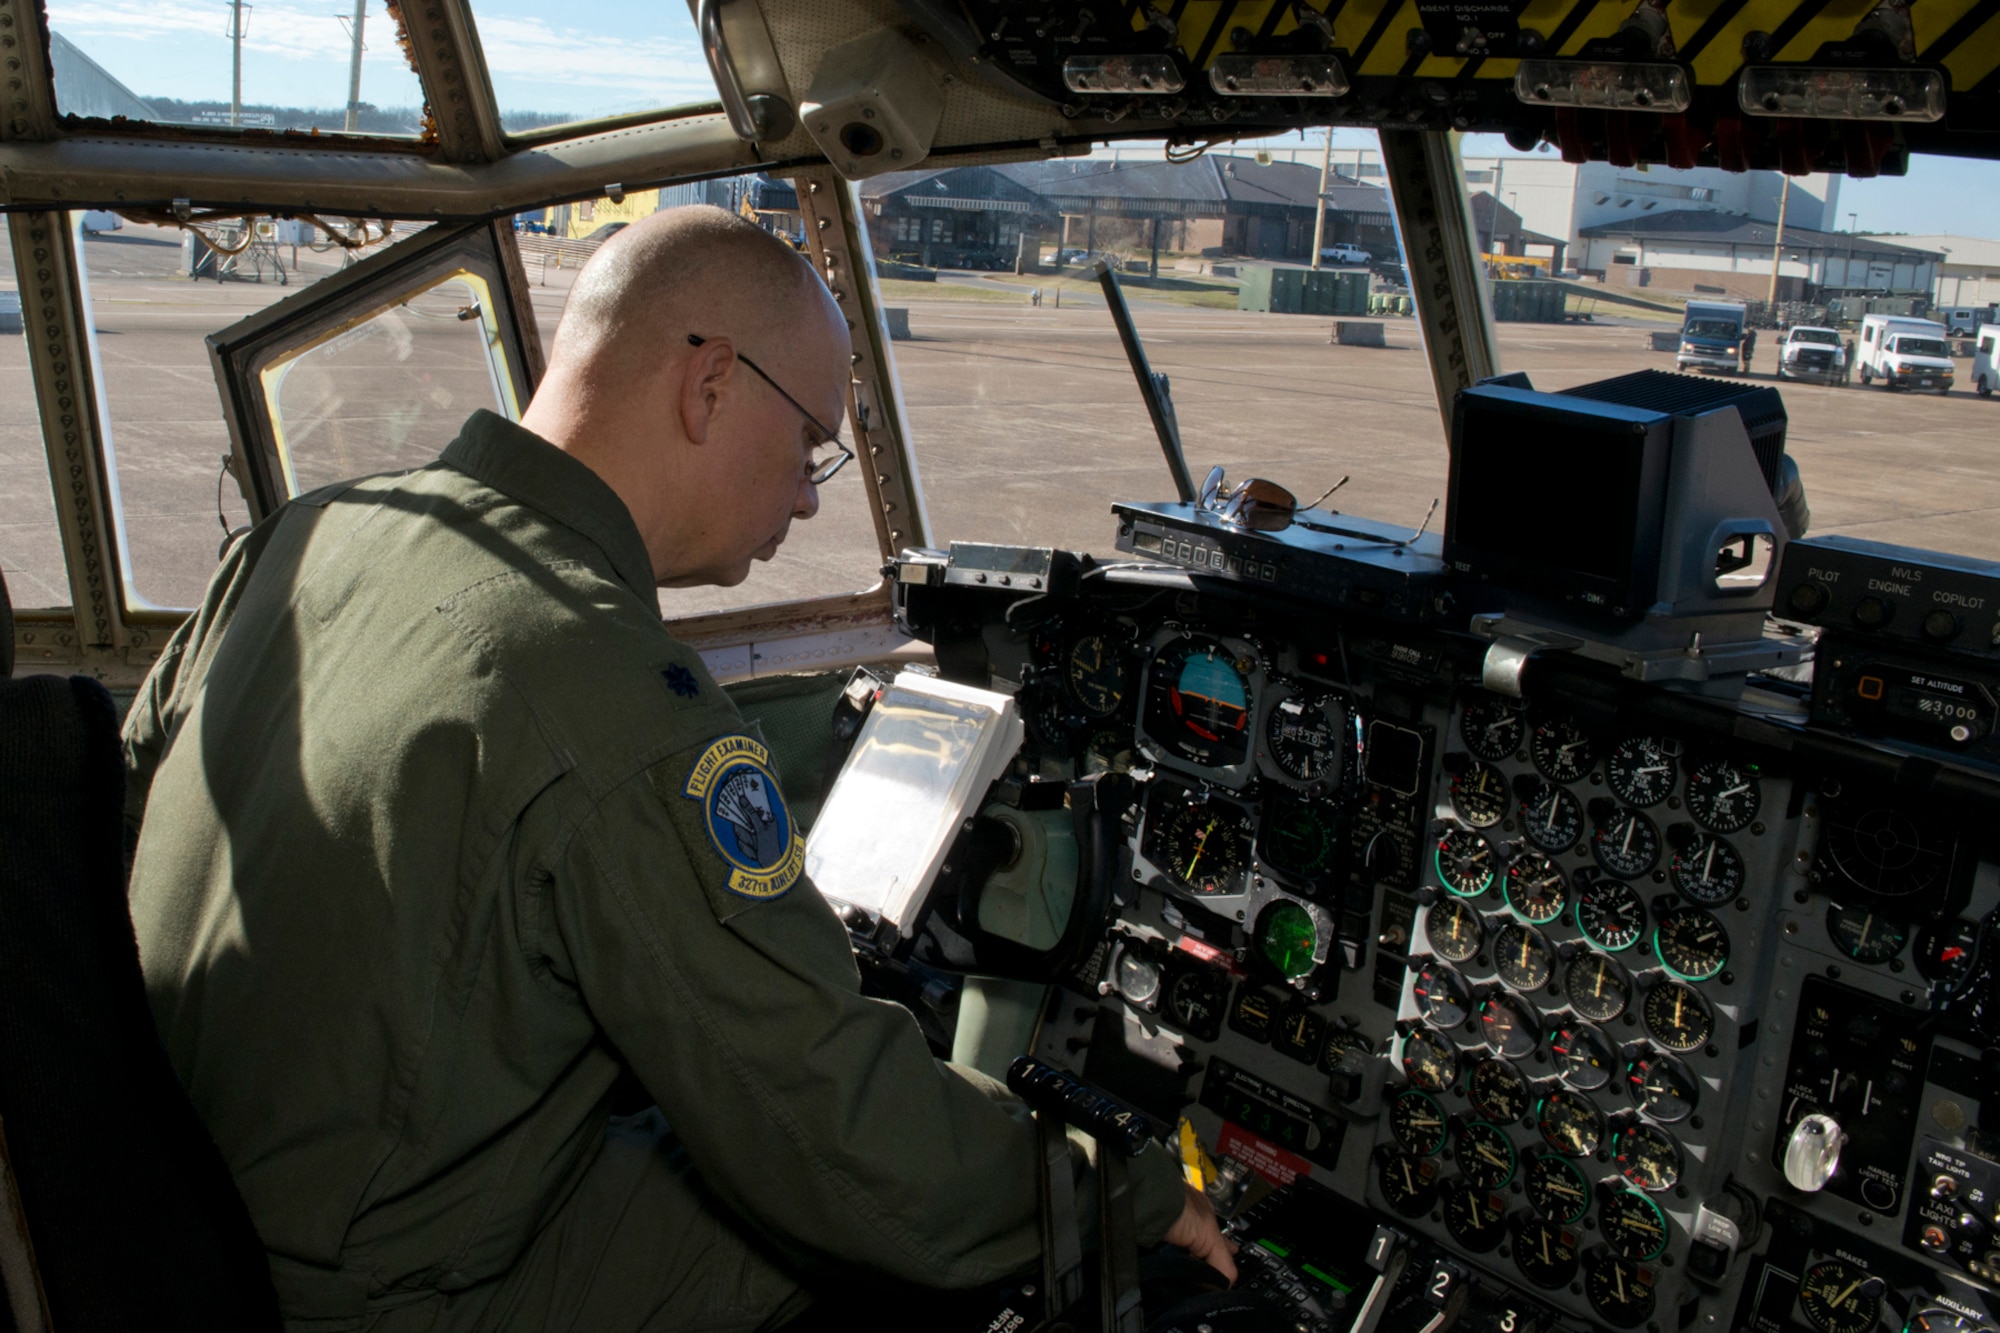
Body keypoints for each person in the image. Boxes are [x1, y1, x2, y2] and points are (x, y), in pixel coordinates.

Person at [121, 205, 1231, 1332]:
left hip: (166, 1208)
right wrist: (1124, 1189)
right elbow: (835, 1135)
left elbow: (129, 801)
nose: (804, 496)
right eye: (808, 447)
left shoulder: (308, 531)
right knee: (844, 1217)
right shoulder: (603, 684)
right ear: (707, 384)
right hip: (372, 1299)